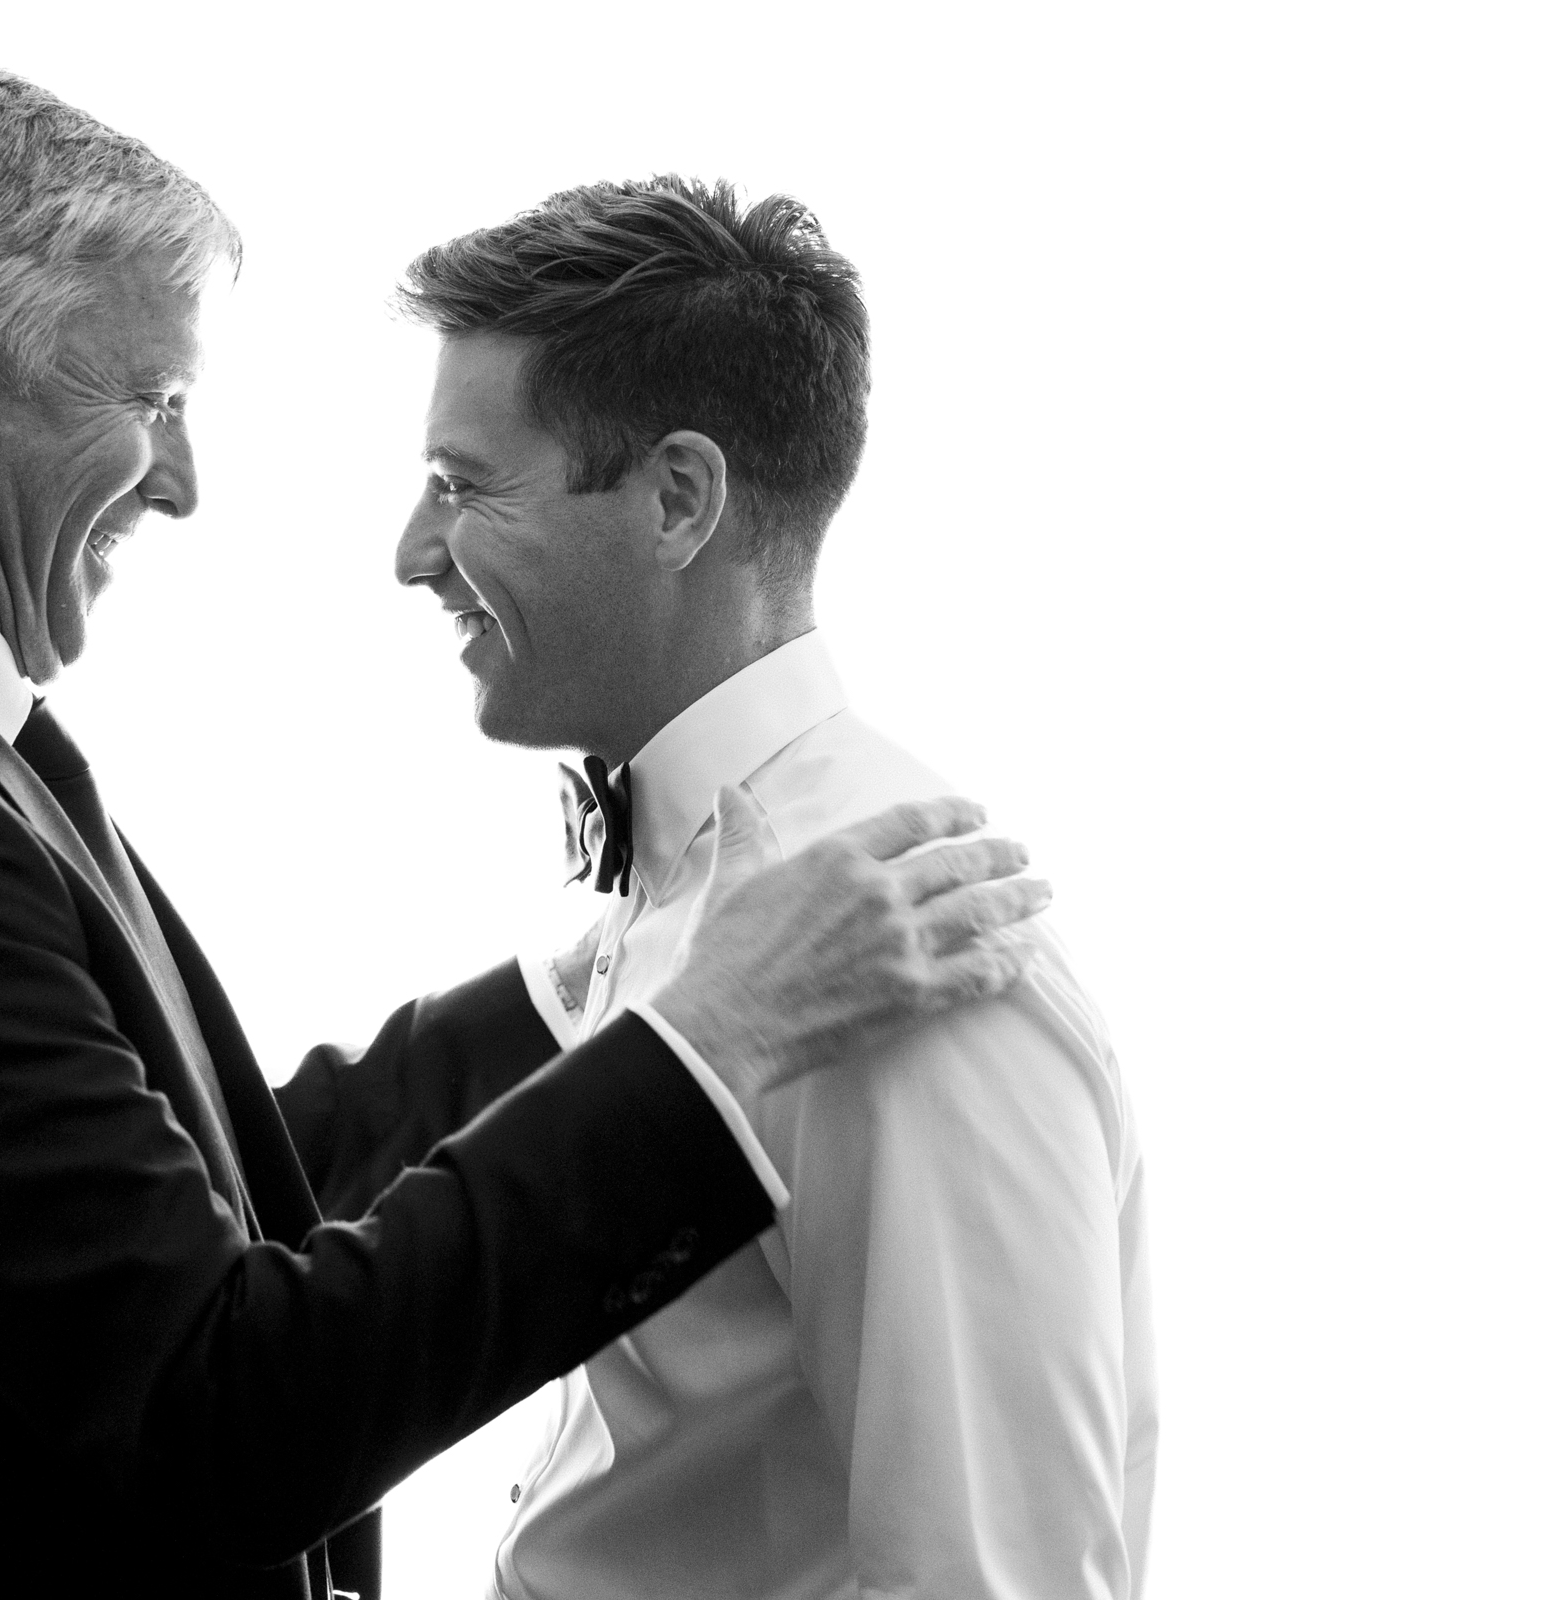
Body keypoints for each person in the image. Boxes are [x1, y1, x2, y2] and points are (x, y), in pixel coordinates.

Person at [0, 65, 1049, 1599]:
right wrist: (709, 1041)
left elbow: (192, 1192)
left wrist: (591, 1001)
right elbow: (215, 1408)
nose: (185, 480)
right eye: (149, 399)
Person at [393, 179, 1156, 1599]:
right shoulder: (683, 911)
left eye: (462, 487)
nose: (410, 557)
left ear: (679, 497)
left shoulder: (912, 963)